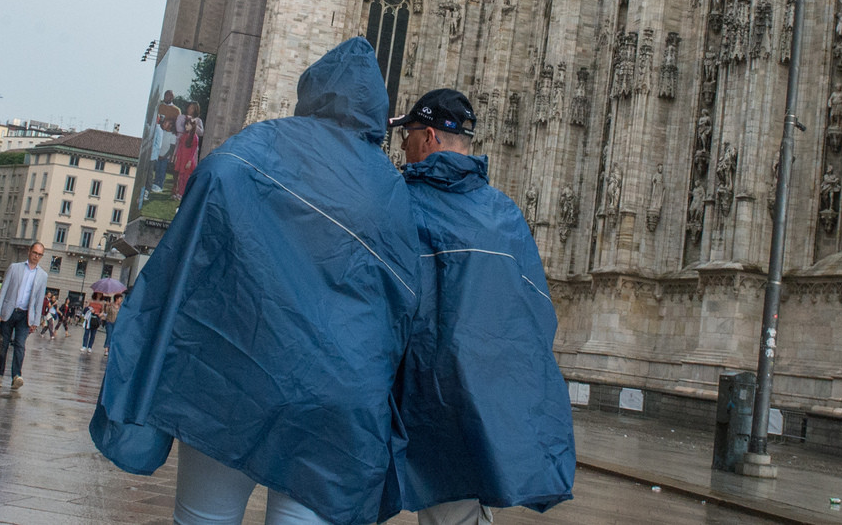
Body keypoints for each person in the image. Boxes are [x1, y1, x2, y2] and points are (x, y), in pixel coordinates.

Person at [91, 37, 421, 525]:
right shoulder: (387, 188)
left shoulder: (257, 144)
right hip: (331, 407)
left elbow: (207, 199)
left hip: (231, 380)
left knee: (204, 518)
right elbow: (402, 302)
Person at [390, 89, 575, 524]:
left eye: (409, 134)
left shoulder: (402, 201)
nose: (403, 145)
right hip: (482, 397)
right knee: (457, 506)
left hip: (424, 389)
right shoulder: (505, 214)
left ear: (429, 136)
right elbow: (538, 314)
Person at [0, 242, 49, 390]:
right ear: (29, 251)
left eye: (39, 254)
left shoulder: (42, 275)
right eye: (35, 253)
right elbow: (3, 290)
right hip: (9, 312)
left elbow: (39, 299)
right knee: (3, 345)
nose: (36, 256)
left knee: (20, 346)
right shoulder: (14, 268)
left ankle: (16, 376)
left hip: (25, 315)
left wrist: (36, 321)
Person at [172, 116, 201, 201]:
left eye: (187, 125)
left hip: (188, 160)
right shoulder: (184, 136)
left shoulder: (195, 137)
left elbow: (193, 151)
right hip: (181, 158)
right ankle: (179, 192)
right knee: (180, 177)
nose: (186, 127)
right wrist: (177, 157)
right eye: (185, 125)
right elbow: (180, 147)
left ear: (192, 126)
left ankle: (183, 193)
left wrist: (189, 161)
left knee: (185, 177)